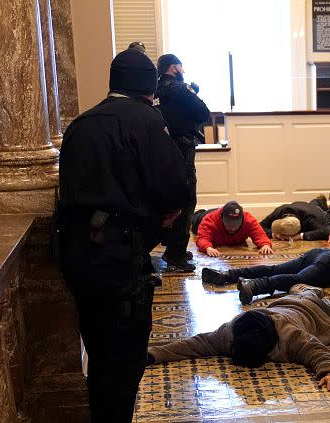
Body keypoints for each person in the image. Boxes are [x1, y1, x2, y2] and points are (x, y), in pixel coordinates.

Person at [59, 49, 193, 421]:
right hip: (121, 257)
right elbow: (175, 187)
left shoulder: (81, 124)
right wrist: (163, 215)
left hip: (77, 255)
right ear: (149, 85)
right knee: (124, 362)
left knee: (98, 353)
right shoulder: (147, 120)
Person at [146, 285, 330, 391]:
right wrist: (153, 354)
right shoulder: (231, 331)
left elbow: (316, 351)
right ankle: (305, 289)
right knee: (307, 293)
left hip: (319, 314)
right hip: (284, 303)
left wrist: (329, 372)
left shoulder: (289, 336)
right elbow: (195, 344)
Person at [202, 237, 330, 305]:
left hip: (322, 253)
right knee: (297, 280)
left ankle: (226, 276)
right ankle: (254, 286)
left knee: (275, 268)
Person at [155, 53, 210, 272]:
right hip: (183, 150)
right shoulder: (181, 89)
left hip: (160, 151)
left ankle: (171, 245)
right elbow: (203, 113)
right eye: (180, 66)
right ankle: (176, 255)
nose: (183, 70)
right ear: (172, 67)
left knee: (167, 199)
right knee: (187, 199)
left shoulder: (155, 90)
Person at [196, 200, 273, 257]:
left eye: (236, 225)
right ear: (222, 219)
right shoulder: (209, 220)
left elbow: (259, 234)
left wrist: (265, 245)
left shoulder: (248, 220)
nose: (232, 229)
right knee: (196, 217)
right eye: (229, 225)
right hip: (201, 217)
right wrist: (207, 248)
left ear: (242, 218)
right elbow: (202, 238)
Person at [259, 200, 330, 241]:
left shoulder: (308, 218)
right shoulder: (278, 212)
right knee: (313, 202)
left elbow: (325, 231)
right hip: (301, 205)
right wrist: (275, 235)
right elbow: (259, 226)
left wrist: (300, 236)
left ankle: (320, 201)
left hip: (318, 210)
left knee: (325, 210)